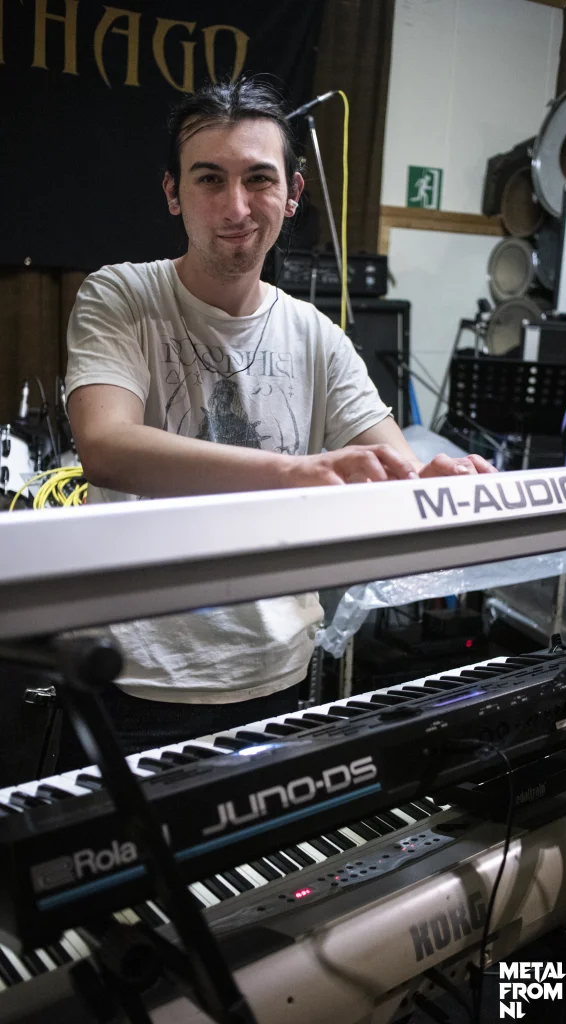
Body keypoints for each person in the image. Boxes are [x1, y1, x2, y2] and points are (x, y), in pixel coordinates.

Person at [63, 77, 494, 766]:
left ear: (292, 193)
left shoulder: (317, 335)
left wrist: (431, 482)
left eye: (258, 179)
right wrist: (298, 472)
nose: (235, 206)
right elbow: (107, 446)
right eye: (210, 178)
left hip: (279, 678)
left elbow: (392, 469)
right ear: (173, 192)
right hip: (136, 682)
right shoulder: (121, 295)